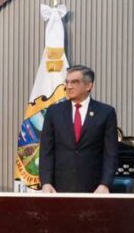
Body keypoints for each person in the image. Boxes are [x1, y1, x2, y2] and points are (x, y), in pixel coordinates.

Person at [38, 65, 119, 194]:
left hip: (94, 188)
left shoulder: (106, 112)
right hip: (58, 187)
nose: (69, 86)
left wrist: (105, 184)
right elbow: (46, 150)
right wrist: (46, 182)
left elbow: (111, 153)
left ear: (88, 86)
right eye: (67, 82)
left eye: (75, 82)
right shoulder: (54, 112)